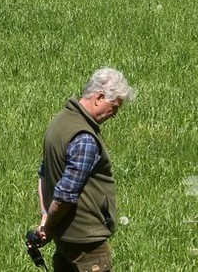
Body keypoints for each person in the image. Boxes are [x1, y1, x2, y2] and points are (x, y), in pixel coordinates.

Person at [35, 68, 137, 272]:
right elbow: (65, 194)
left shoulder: (60, 121)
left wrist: (46, 216)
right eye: (114, 107)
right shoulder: (85, 138)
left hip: (66, 237)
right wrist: (48, 226)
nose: (114, 115)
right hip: (86, 240)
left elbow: (44, 174)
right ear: (99, 97)